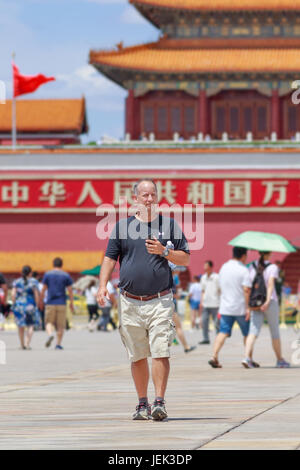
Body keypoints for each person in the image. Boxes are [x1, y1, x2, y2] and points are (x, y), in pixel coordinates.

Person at [97, 179, 190, 421]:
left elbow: (185, 259)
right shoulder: (121, 228)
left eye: (153, 195)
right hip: (129, 301)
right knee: (137, 355)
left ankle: (159, 402)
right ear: (135, 199)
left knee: (160, 351)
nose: (149, 199)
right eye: (144, 195)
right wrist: (102, 285)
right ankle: (142, 403)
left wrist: (165, 251)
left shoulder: (169, 226)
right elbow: (109, 258)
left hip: (160, 299)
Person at [243, 251, 290, 369]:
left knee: (253, 331)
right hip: (270, 302)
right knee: (275, 332)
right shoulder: (273, 267)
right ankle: (280, 360)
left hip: (255, 302)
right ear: (270, 254)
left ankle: (247, 357)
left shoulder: (252, 266)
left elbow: (247, 288)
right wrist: (268, 300)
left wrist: (248, 307)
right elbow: (270, 284)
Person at [208, 247, 251, 368]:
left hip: (226, 307)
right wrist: (248, 308)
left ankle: (214, 356)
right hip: (241, 307)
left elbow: (221, 287)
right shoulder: (244, 270)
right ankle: (248, 358)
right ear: (243, 256)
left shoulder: (223, 268)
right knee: (247, 334)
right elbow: (246, 290)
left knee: (223, 332)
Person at [40, 257, 74, 350]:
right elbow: (70, 290)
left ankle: (50, 334)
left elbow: (43, 289)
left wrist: (41, 301)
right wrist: (71, 303)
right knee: (60, 325)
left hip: (50, 302)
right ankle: (58, 344)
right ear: (61, 264)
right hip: (61, 303)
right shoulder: (65, 275)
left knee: (48, 322)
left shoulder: (47, 274)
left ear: (53, 264)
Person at [11, 266, 39, 350]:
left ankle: (22, 344)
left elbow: (13, 294)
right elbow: (36, 294)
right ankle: (27, 343)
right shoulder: (34, 281)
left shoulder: (17, 281)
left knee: (20, 326)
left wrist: (14, 303)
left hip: (19, 305)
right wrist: (37, 304)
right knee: (31, 325)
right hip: (30, 305)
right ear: (30, 273)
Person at [199, 261, 220, 345]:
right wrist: (201, 301)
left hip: (215, 304)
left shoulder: (216, 277)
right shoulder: (203, 278)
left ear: (211, 267)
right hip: (206, 304)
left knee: (216, 323)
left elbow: (220, 290)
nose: (204, 268)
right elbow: (203, 291)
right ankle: (205, 338)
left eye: (206, 266)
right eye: (204, 266)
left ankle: (219, 338)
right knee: (204, 322)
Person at [172, 282, 196, 353]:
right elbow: (173, 295)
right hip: (170, 306)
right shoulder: (169, 280)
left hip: (158, 306)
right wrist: (179, 294)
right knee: (178, 327)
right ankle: (186, 347)